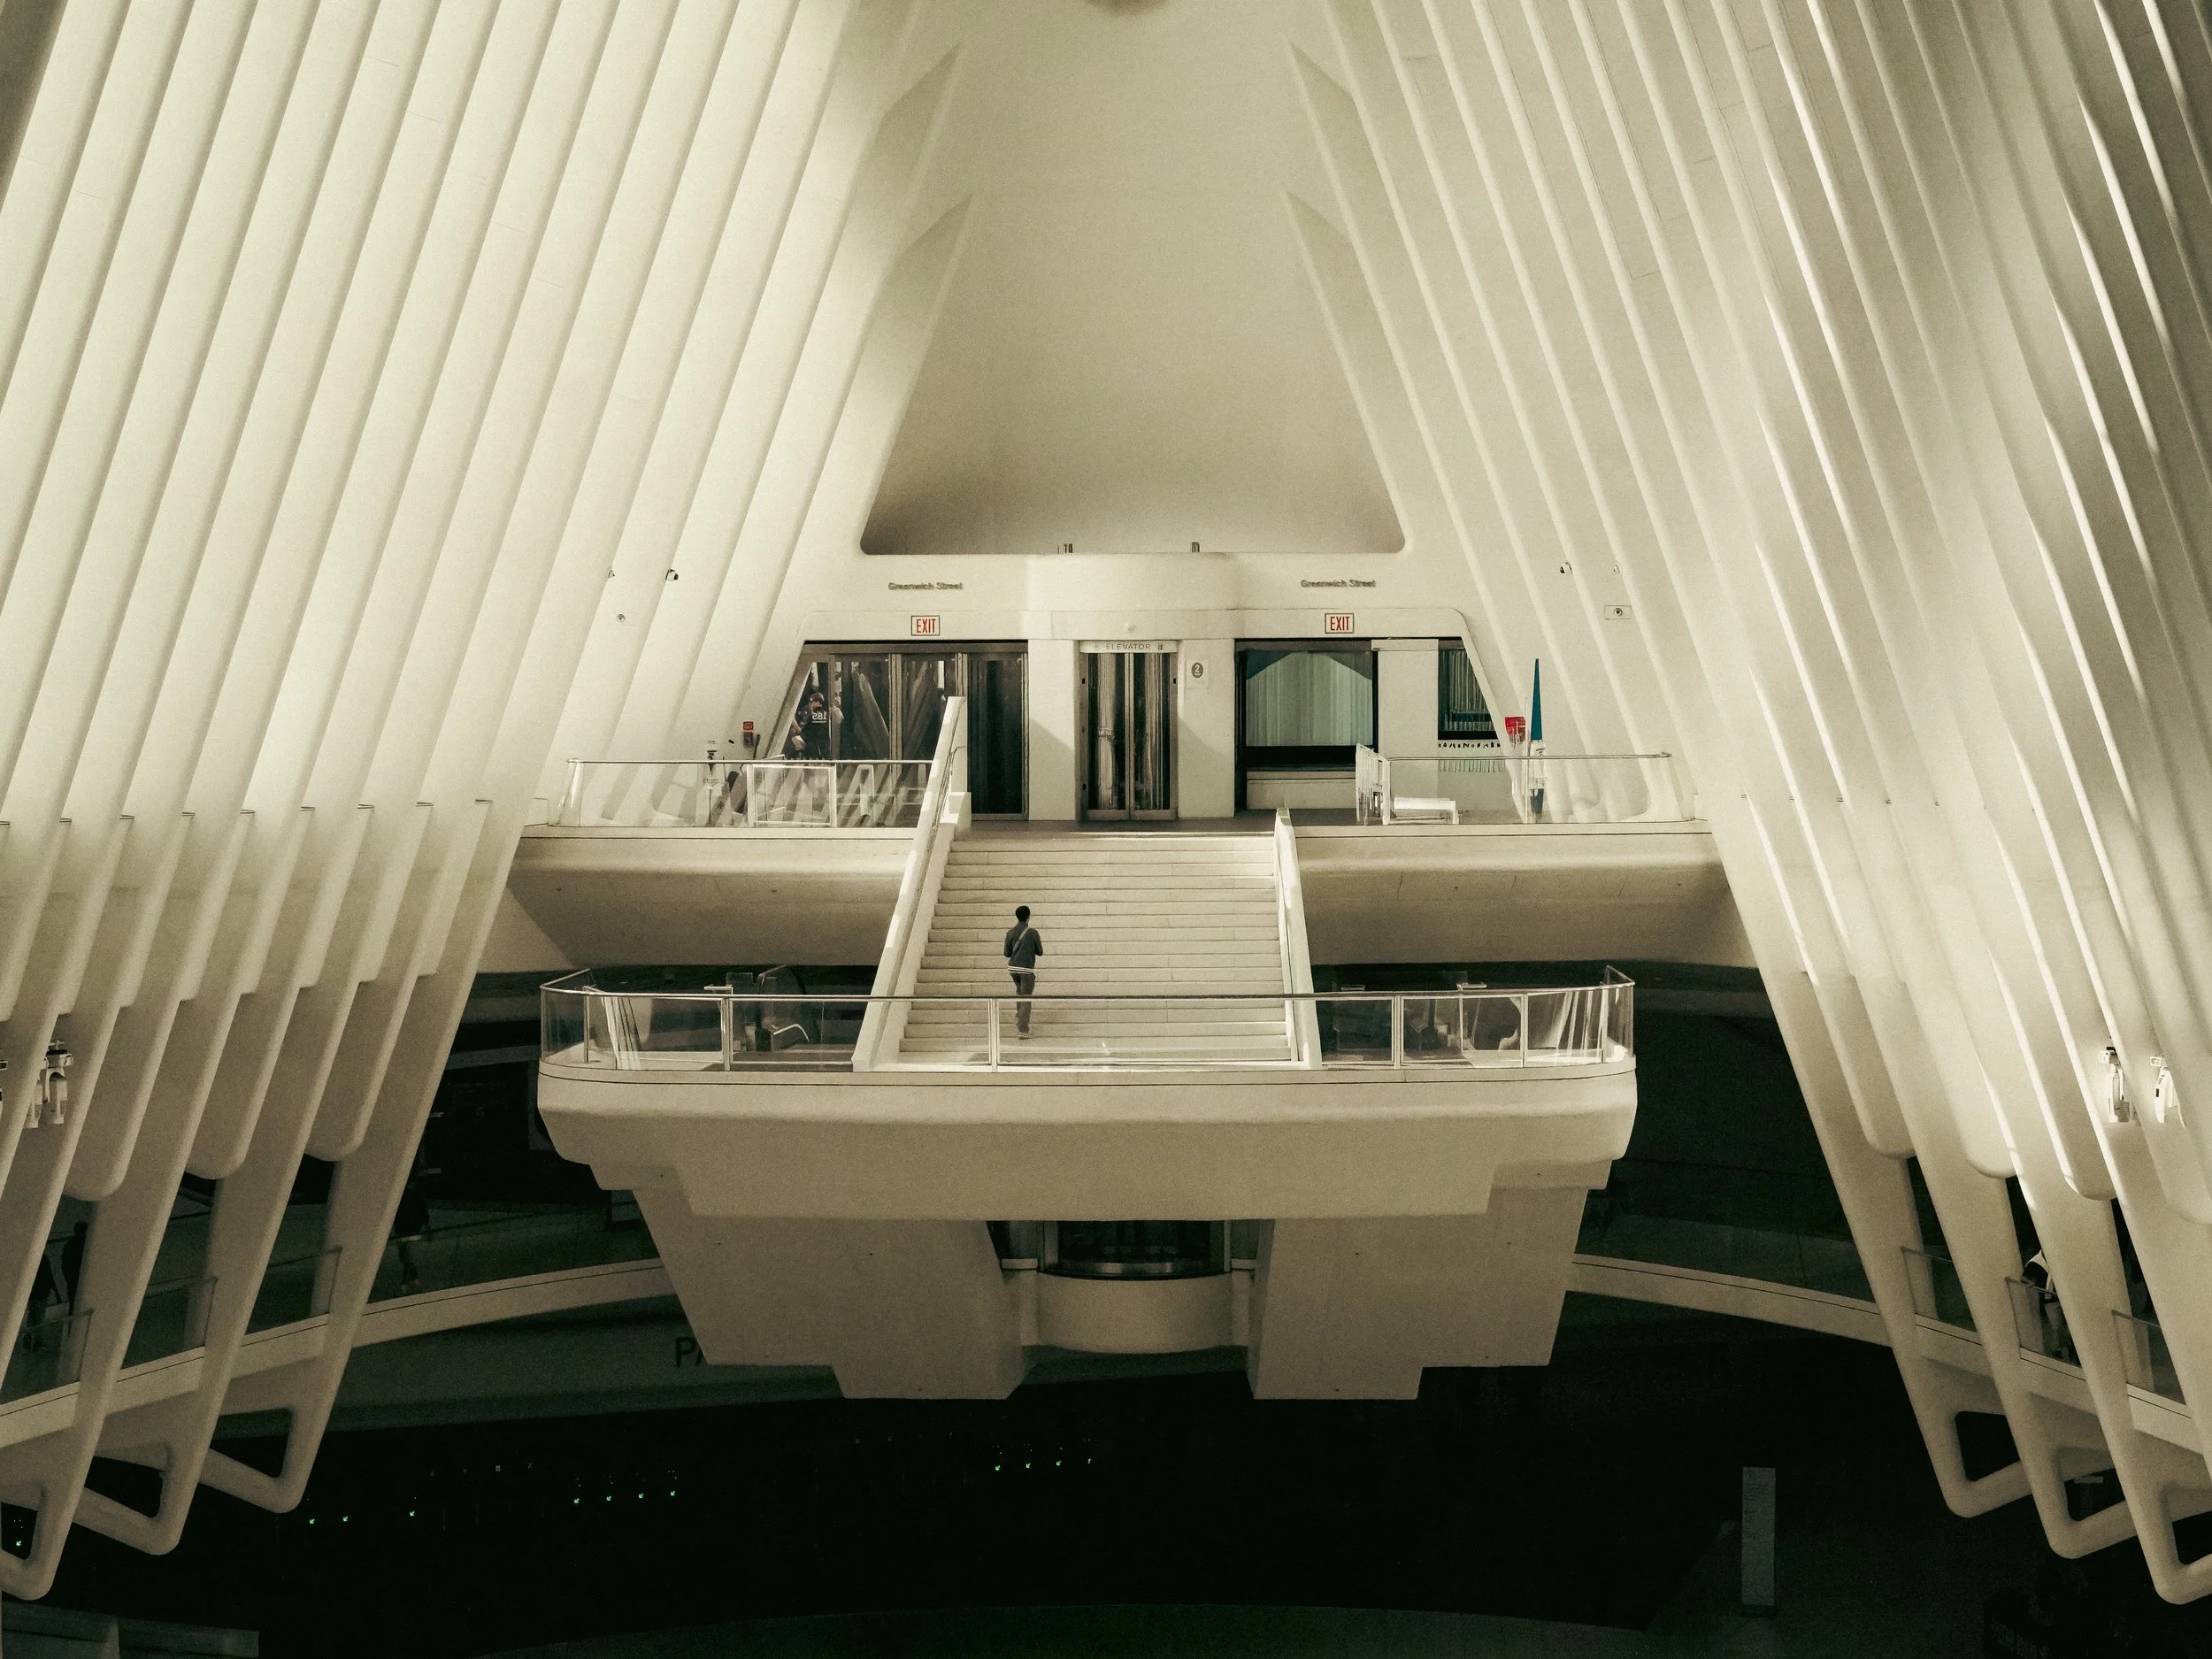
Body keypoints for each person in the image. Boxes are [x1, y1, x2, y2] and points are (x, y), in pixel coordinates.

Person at [1002, 904, 1044, 1039]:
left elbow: (1006, 953)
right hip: (1026, 969)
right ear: (1028, 917)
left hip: (1013, 969)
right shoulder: (1032, 932)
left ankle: (1019, 1016)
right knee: (1026, 997)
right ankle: (1023, 1030)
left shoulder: (1010, 932)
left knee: (1020, 992)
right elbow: (1040, 952)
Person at [393, 1184, 432, 1295]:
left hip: (404, 1232)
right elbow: (424, 1213)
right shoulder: (417, 1198)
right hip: (411, 1231)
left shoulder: (401, 1198)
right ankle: (415, 1282)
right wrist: (427, 1228)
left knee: (407, 1260)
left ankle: (405, 1284)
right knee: (407, 1260)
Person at [60, 1221, 88, 1314]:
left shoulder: (69, 1246)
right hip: (79, 1280)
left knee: (73, 1306)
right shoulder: (85, 1245)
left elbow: (64, 1266)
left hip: (72, 1281)